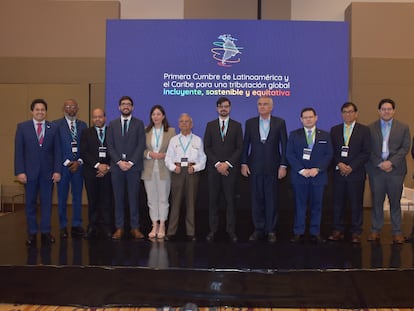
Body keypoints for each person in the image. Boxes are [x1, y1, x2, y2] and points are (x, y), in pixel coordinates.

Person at [241, 96, 288, 243]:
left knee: (271, 199)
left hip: (273, 168)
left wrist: (283, 165)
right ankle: (258, 229)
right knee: (256, 199)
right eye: (260, 104)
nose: (262, 106)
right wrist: (243, 163)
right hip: (254, 167)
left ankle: (271, 230)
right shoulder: (250, 123)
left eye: (265, 104)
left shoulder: (280, 123)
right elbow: (245, 144)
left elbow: (284, 145)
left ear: (271, 107)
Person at [15, 99, 61, 245]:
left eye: (42, 110)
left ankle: (46, 232)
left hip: (48, 174)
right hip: (29, 174)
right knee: (30, 204)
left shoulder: (53, 127)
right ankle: (32, 233)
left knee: (47, 204)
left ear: (46, 112)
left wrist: (57, 170)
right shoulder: (23, 127)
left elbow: (58, 151)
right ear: (32, 111)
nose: (40, 112)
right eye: (37, 109)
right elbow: (19, 152)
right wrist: (20, 171)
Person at [366, 98, 410, 244]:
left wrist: (391, 162)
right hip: (376, 170)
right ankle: (375, 230)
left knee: (395, 202)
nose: (386, 111)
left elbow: (405, 148)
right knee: (377, 201)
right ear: (379, 111)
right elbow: (368, 149)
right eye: (383, 109)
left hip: (395, 171)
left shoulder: (403, 127)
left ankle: (397, 232)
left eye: (389, 109)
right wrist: (380, 163)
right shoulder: (370, 128)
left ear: (394, 110)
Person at [286, 107, 333, 243]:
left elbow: (329, 154)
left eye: (310, 117)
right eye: (305, 117)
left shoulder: (325, 135)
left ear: (316, 118)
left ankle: (315, 231)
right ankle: (298, 231)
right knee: (299, 205)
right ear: (301, 120)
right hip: (300, 176)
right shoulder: (294, 135)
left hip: (318, 176)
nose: (308, 119)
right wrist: (302, 170)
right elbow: (290, 154)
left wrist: (317, 169)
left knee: (317, 206)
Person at [328, 102, 371, 244]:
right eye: (345, 112)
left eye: (351, 112)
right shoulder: (334, 130)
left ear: (356, 114)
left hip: (356, 173)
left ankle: (356, 232)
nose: (348, 114)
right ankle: (337, 230)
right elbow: (330, 151)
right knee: (338, 203)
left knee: (356, 203)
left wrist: (351, 167)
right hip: (338, 172)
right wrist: (339, 164)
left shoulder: (364, 130)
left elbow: (366, 152)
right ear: (341, 114)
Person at [203, 97, 243, 242]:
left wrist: (227, 163)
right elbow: (207, 147)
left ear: (230, 108)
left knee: (230, 201)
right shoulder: (210, 125)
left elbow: (239, 148)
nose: (223, 108)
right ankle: (213, 230)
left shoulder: (237, 126)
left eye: (226, 106)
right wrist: (218, 164)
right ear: (217, 108)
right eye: (220, 106)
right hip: (214, 170)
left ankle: (231, 230)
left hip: (230, 171)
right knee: (213, 201)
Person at [107, 95, 146, 240]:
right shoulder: (112, 124)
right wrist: (119, 162)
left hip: (133, 168)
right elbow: (110, 146)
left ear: (132, 107)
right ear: (119, 107)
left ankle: (135, 228)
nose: (126, 106)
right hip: (117, 168)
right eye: (123, 104)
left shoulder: (139, 124)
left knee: (133, 198)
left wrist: (131, 162)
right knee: (118, 199)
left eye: (128, 104)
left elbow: (141, 145)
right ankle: (119, 227)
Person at [164, 113, 206, 241]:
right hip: (177, 172)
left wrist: (195, 168)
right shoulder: (174, 140)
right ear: (178, 124)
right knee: (175, 203)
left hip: (191, 171)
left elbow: (203, 159)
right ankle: (171, 232)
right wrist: (172, 167)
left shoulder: (197, 140)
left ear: (191, 124)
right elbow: (168, 158)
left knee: (191, 203)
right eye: (181, 121)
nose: (184, 124)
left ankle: (190, 232)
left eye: (187, 121)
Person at [141, 105, 175, 239]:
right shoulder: (145, 131)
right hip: (148, 169)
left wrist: (164, 155)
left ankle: (162, 225)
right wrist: (149, 154)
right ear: (151, 116)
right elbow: (140, 149)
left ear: (163, 116)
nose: (156, 116)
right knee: (151, 200)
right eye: (153, 114)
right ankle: (154, 224)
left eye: (158, 114)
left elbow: (174, 150)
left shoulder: (171, 131)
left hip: (164, 170)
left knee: (163, 199)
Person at [55, 99, 87, 239]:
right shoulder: (56, 125)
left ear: (77, 108)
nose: (71, 109)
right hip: (63, 167)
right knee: (62, 198)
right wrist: (68, 162)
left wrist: (78, 162)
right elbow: (55, 148)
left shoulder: (83, 125)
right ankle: (62, 226)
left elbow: (86, 147)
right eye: (68, 106)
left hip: (78, 167)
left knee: (77, 197)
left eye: (73, 106)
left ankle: (76, 225)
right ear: (63, 108)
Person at [80, 108, 113, 240]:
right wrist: (98, 166)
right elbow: (84, 152)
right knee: (92, 200)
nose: (98, 119)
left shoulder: (112, 131)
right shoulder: (86, 133)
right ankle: (92, 226)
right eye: (95, 117)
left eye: (100, 117)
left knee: (106, 201)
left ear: (105, 118)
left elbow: (116, 150)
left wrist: (107, 167)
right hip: (91, 172)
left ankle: (106, 226)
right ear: (92, 119)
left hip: (108, 173)